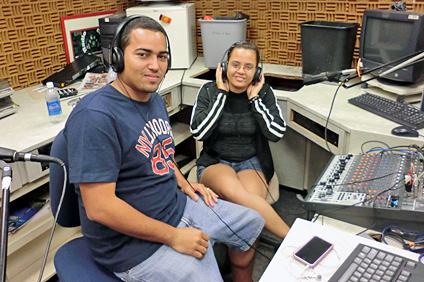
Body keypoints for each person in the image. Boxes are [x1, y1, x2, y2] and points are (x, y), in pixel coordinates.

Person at [64, 16, 264, 282]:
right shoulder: (95, 117)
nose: (155, 66)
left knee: (252, 222)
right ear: (118, 58)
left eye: (162, 56)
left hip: (175, 204)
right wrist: (174, 236)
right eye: (143, 55)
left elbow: (159, 152)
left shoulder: (153, 99)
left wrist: (183, 182)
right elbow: (100, 208)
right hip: (130, 247)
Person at [190, 41, 290, 240]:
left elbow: (276, 133)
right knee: (234, 191)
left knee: (249, 215)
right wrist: (221, 95)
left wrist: (255, 101)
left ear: (257, 71)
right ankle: (293, 237)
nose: (241, 72)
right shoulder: (209, 91)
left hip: (251, 162)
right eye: (235, 65)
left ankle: (237, 262)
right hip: (215, 162)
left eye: (248, 67)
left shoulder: (263, 92)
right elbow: (199, 132)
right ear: (225, 66)